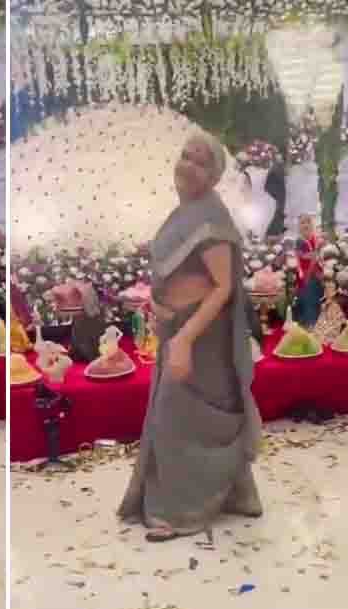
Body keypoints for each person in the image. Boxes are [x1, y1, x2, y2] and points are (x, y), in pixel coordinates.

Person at [117, 131, 263, 542]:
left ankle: (178, 514)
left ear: (214, 175)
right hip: (175, 329)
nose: (188, 165)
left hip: (202, 337)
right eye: (185, 156)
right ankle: (240, 494)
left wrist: (184, 340)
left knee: (181, 419)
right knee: (188, 418)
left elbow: (223, 286)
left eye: (200, 161)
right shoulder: (184, 212)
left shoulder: (212, 219)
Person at [294, 214, 324, 328]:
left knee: (317, 299)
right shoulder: (299, 240)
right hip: (304, 274)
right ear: (299, 225)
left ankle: (318, 324)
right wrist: (313, 255)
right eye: (303, 222)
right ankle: (308, 324)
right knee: (306, 299)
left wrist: (317, 255)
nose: (305, 225)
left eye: (308, 222)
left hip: (317, 274)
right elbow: (300, 256)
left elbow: (320, 256)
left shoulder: (316, 239)